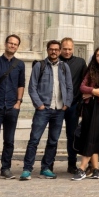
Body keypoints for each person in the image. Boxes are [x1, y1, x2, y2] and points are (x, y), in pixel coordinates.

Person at [20, 40, 73, 180]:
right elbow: (32, 87)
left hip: (59, 110)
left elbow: (69, 87)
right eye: (51, 49)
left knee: (53, 141)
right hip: (43, 109)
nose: (54, 52)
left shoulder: (64, 67)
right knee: (34, 139)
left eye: (56, 49)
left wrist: (67, 103)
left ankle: (46, 168)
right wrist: (39, 105)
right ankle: (27, 169)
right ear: (47, 50)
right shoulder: (40, 66)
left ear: (60, 51)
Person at [0, 34, 26, 181]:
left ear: (17, 47)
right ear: (5, 44)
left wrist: (18, 103)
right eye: (10, 43)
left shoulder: (20, 65)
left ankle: (6, 168)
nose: (12, 46)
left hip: (12, 107)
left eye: (15, 44)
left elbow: (21, 85)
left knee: (9, 140)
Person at [73, 47, 99, 180]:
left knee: (92, 135)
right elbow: (82, 87)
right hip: (89, 106)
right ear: (95, 58)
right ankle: (96, 169)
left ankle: (82, 168)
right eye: (98, 55)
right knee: (91, 135)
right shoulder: (91, 71)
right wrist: (94, 91)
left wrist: (92, 92)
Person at [60, 37, 88, 175]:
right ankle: (48, 165)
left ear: (73, 48)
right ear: (60, 48)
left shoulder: (80, 63)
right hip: (56, 105)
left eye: (69, 49)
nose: (67, 51)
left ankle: (71, 164)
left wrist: (82, 104)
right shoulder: (55, 61)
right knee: (53, 135)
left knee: (72, 136)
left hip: (73, 106)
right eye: (64, 49)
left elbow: (85, 82)